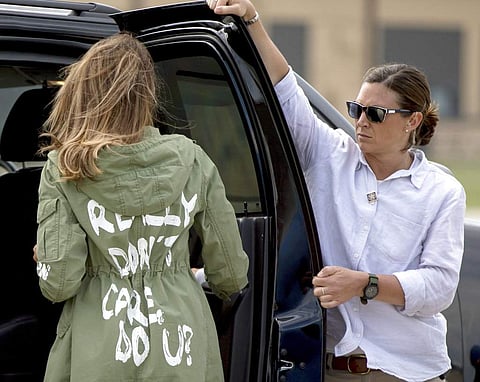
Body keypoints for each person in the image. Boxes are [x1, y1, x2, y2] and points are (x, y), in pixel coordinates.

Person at [207, 1, 465, 380]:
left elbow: (440, 286)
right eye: (355, 108)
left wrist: (365, 285)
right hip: (331, 369)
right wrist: (252, 20)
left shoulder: (443, 192)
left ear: (412, 121)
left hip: (409, 371)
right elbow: (284, 88)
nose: (360, 121)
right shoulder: (329, 153)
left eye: (375, 114)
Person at [33, 32, 249, 382]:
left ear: (85, 94)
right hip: (180, 343)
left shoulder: (64, 168)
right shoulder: (193, 159)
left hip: (100, 347)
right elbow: (232, 276)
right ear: (147, 96)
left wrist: (46, 257)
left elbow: (59, 284)